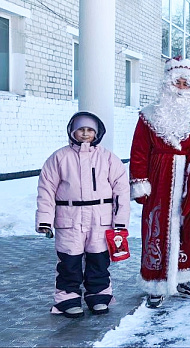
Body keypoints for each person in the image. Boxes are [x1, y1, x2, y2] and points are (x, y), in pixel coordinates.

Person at [130, 57, 190, 308]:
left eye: (185, 83)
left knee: (186, 227)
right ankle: (155, 283)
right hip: (158, 178)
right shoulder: (148, 116)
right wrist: (140, 182)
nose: (180, 87)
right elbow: (139, 151)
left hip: (187, 181)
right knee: (155, 228)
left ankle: (182, 279)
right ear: (167, 83)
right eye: (176, 81)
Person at [36, 111, 130, 318]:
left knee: (99, 260)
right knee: (69, 261)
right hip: (69, 217)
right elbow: (46, 189)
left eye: (90, 130)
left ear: (97, 133)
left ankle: (98, 296)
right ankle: (67, 299)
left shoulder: (108, 158)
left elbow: (122, 190)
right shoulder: (59, 158)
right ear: (72, 131)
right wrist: (45, 219)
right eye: (81, 130)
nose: (85, 134)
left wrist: (120, 221)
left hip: (101, 218)